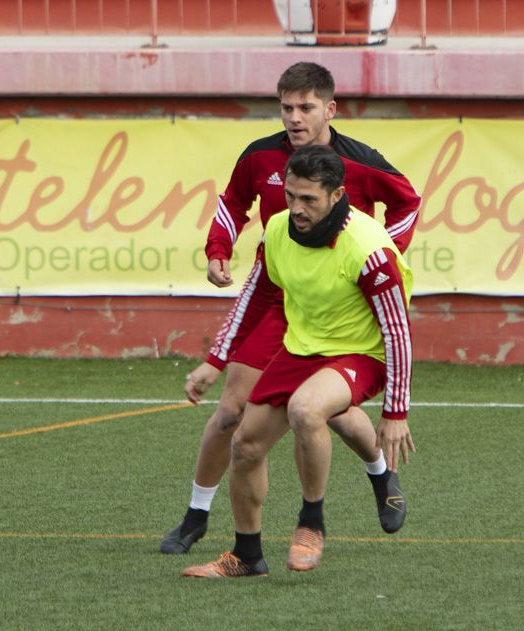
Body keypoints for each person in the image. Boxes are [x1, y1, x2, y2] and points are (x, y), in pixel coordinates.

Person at [160, 62, 421, 554]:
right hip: (283, 303)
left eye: (306, 107)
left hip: (342, 307)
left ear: (330, 109)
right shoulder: (261, 160)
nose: (295, 117)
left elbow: (408, 203)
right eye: (286, 107)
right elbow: (232, 206)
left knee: (328, 414)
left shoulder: (360, 167)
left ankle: (370, 481)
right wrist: (218, 251)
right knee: (231, 415)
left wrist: (386, 250)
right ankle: (199, 516)